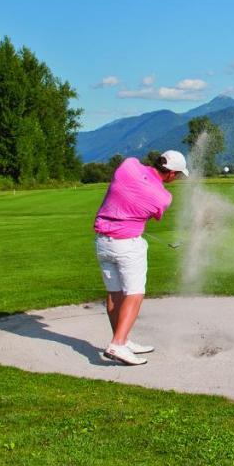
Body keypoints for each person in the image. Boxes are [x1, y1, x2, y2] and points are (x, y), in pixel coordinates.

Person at [92, 150, 188, 365]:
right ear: (171, 174)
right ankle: (117, 344)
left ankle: (122, 340)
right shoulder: (163, 197)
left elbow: (133, 173)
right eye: (178, 175)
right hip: (127, 246)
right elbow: (154, 213)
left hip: (102, 242)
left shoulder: (128, 165)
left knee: (115, 293)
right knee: (134, 294)